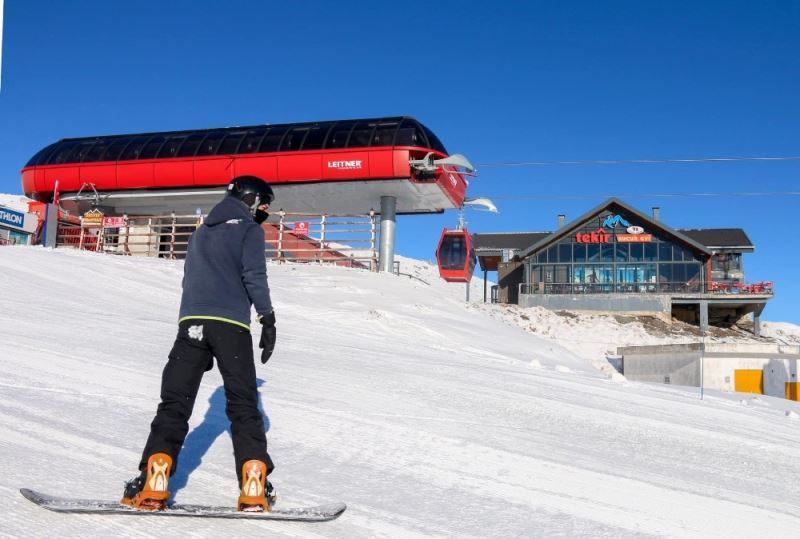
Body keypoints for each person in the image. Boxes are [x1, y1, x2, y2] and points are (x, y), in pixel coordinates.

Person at [121, 176, 278, 512]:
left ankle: (154, 479)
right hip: (232, 327)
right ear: (249, 200)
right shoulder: (249, 230)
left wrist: (195, 326)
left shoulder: (201, 232)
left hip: (191, 324)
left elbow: (188, 279)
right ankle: (253, 485)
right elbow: (254, 275)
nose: (266, 210)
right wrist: (267, 317)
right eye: (264, 203)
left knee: (174, 402)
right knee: (244, 404)